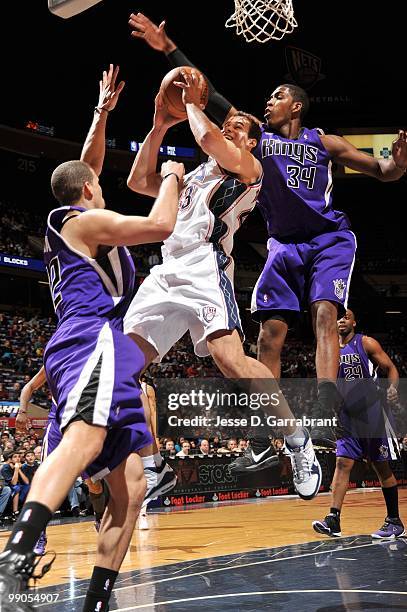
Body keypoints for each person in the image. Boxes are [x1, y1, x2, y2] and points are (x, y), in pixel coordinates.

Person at [128, 12, 407, 475]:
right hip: (282, 242)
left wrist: (397, 166)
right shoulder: (254, 145)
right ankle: (266, 434)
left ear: (295, 106)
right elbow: (209, 94)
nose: (267, 100)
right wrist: (167, 46)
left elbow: (381, 171)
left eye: (277, 96)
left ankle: (323, 402)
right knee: (268, 334)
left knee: (323, 311)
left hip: (327, 237)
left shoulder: (319, 142)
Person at [0, 109, 184, 612]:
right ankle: (15, 556)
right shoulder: (84, 220)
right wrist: (170, 173)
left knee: (131, 485)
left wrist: (102, 113)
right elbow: (161, 224)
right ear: (86, 194)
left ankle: (97, 602)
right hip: (91, 340)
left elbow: (86, 165)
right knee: (84, 440)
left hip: (84, 345)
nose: (102, 189)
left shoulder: (70, 222)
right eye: (96, 188)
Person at [124, 67, 322, 500]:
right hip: (166, 271)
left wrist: (195, 104)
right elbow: (138, 182)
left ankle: (296, 439)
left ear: (251, 142)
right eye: (226, 123)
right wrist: (159, 127)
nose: (226, 129)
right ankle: (156, 465)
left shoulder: (251, 168)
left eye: (237, 127)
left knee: (230, 361)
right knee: (123, 368)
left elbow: (209, 139)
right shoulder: (194, 177)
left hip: (205, 267)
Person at [312, 309, 405, 539]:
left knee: (381, 467)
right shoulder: (329, 348)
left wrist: (392, 388)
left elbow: (391, 368)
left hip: (372, 412)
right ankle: (333, 518)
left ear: (354, 321)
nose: (341, 320)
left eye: (346, 317)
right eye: (338, 317)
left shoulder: (365, 342)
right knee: (342, 464)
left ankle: (394, 520)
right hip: (346, 415)